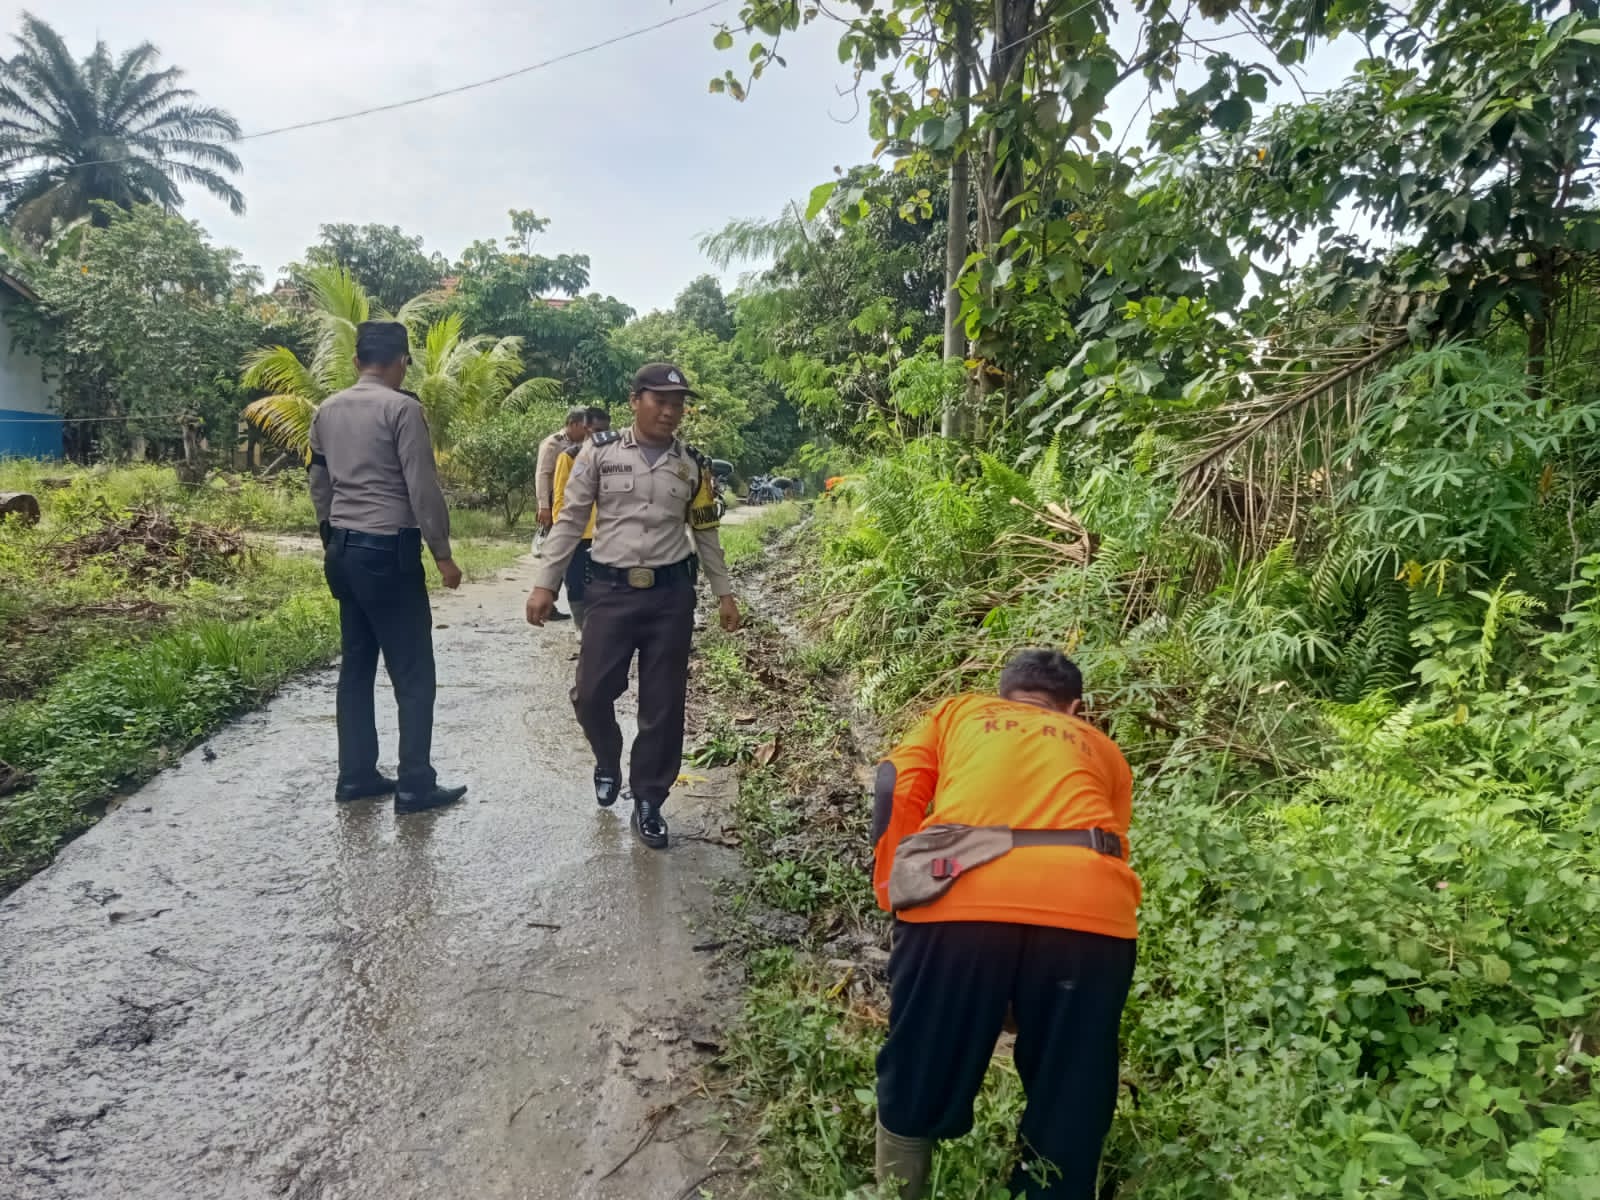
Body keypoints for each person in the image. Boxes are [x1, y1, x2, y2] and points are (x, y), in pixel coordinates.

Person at [870, 649, 1139, 1199]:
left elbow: (894, 783)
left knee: (919, 1066)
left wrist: (891, 886)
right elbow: (1114, 839)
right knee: (1071, 1090)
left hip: (958, 903)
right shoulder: (1104, 748)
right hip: (1090, 913)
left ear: (1003, 694)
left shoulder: (960, 712)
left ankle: (898, 1190)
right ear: (1075, 708)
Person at [525, 363, 742, 849]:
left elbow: (706, 532)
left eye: (678, 404)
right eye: (660, 401)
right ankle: (608, 757)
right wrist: (545, 585)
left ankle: (649, 800)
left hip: (670, 596)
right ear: (635, 401)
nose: (670, 411)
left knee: (663, 704)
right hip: (610, 592)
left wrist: (724, 594)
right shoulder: (597, 453)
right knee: (591, 694)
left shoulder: (693, 465)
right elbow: (570, 520)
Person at [307, 320, 469, 815]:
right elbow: (421, 486)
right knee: (414, 672)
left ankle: (356, 775)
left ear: (357, 361)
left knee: (356, 666)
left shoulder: (326, 410)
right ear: (402, 362)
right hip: (388, 551)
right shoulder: (402, 409)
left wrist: (332, 538)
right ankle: (415, 784)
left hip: (344, 551)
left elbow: (318, 483)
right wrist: (442, 553)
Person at [550, 406, 611, 632]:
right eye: (597, 430)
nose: (602, 436)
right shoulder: (569, 457)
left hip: (605, 531)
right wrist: (561, 530)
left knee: (603, 582)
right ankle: (580, 626)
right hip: (578, 531)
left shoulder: (615, 457)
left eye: (606, 430)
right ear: (585, 429)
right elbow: (560, 496)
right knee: (575, 581)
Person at [537, 407, 589, 533]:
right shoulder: (553, 443)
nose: (587, 430)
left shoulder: (584, 443)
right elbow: (542, 475)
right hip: (555, 502)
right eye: (584, 427)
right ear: (573, 424)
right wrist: (544, 507)